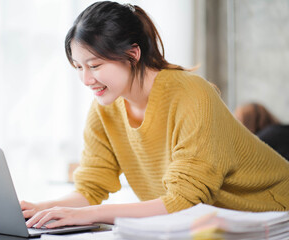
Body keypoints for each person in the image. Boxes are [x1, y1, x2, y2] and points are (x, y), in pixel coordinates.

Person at [22, 1, 289, 229]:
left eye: (94, 65)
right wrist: (38, 209)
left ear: (132, 54)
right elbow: (90, 188)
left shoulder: (192, 94)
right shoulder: (104, 108)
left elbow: (184, 201)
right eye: (78, 67)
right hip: (208, 225)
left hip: (274, 214)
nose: (85, 78)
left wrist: (86, 216)